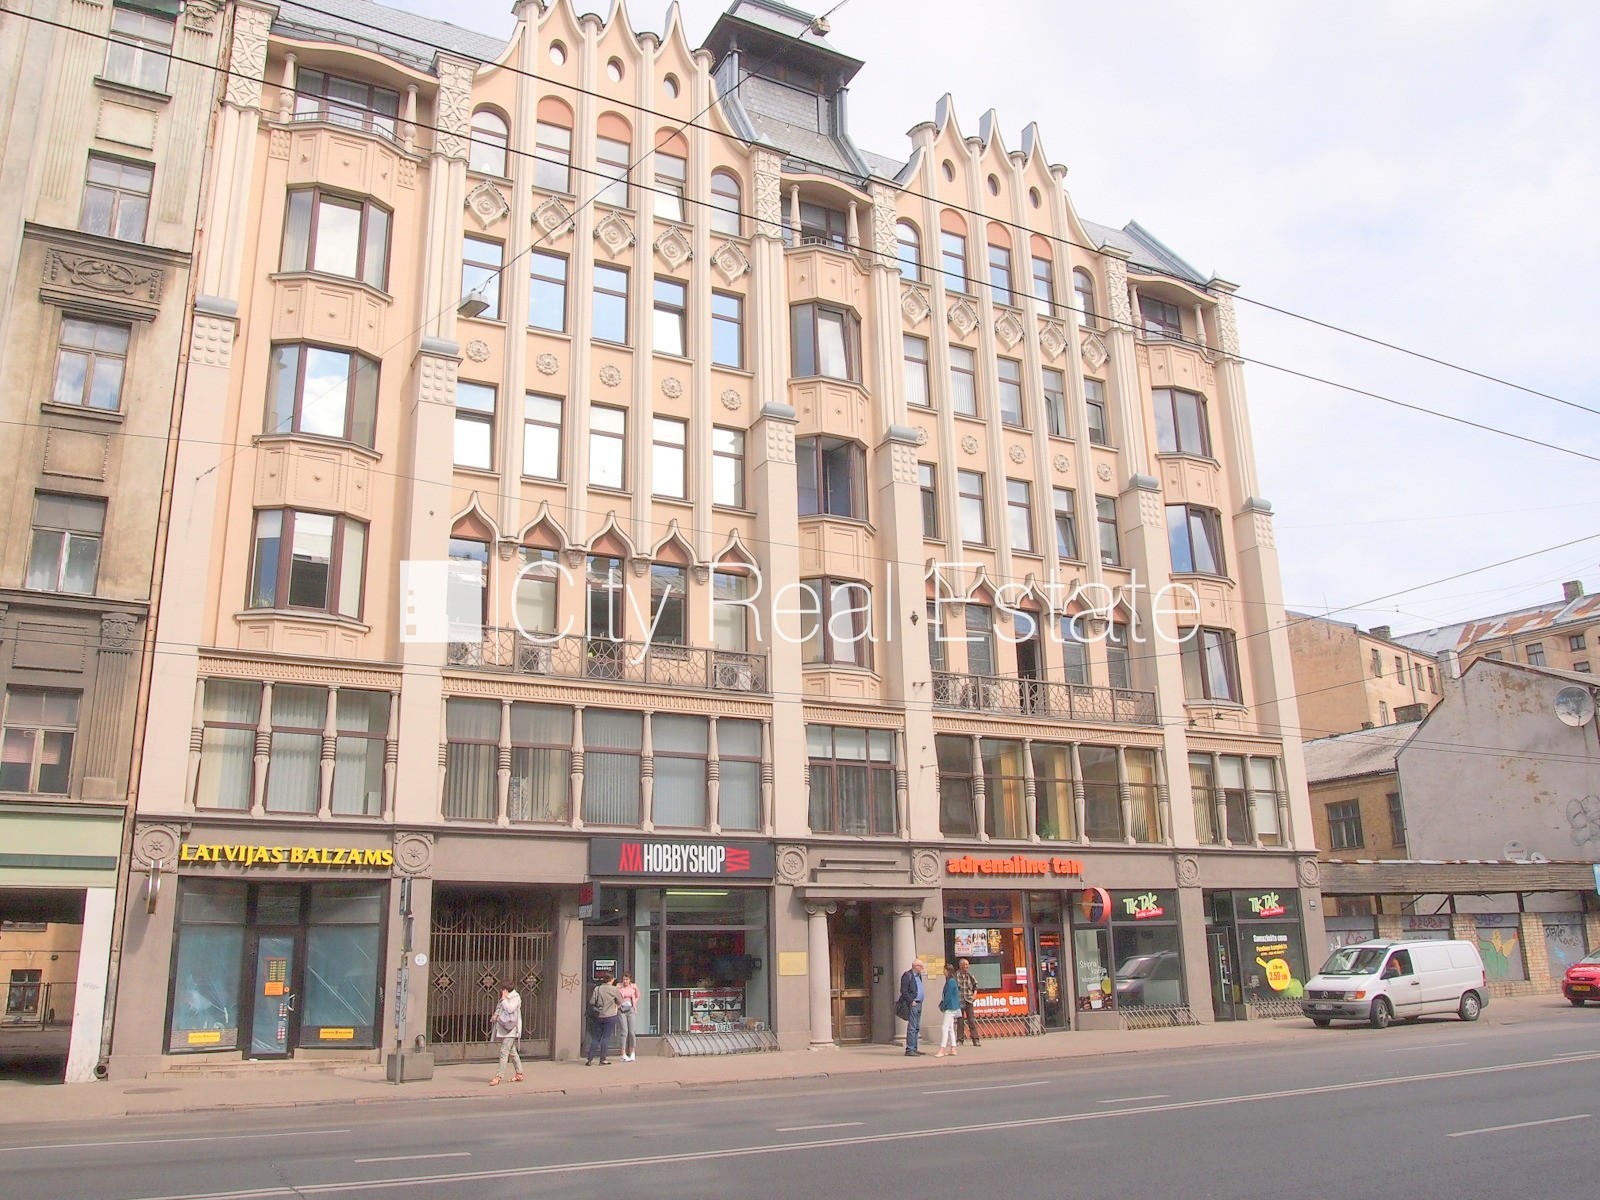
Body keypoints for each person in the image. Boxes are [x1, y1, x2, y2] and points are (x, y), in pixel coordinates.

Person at [585, 973, 623, 1066]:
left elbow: (592, 1001)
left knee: (596, 1038)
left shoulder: (597, 989)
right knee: (606, 1038)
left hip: (598, 1016)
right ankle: (603, 1059)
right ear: (611, 979)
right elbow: (620, 1001)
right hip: (610, 1016)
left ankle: (590, 1059)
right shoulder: (614, 989)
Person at [489, 984, 523, 1085]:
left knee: (504, 1051)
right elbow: (500, 1008)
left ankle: (498, 1076)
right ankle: (519, 1074)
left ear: (505, 989)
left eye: (502, 989)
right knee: (512, 1052)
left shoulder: (515, 997)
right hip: (505, 1028)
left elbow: (510, 1009)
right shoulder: (505, 997)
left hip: (511, 1029)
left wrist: (504, 999)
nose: (501, 991)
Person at [898, 959, 926, 1056]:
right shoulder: (907, 975)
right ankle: (910, 1049)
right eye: (921, 966)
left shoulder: (919, 976)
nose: (922, 968)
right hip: (913, 1004)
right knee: (912, 1027)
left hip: (919, 1003)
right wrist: (911, 1001)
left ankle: (914, 1048)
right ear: (916, 966)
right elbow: (904, 990)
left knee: (916, 1027)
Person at [935, 962, 961, 1057]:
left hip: (950, 1007)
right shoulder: (952, 981)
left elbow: (948, 996)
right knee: (950, 1028)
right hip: (953, 1006)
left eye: (944, 970)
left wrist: (943, 1006)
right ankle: (953, 1048)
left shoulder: (950, 982)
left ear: (948, 971)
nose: (943, 972)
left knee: (944, 1028)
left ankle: (942, 1049)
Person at [955, 958, 981, 1046]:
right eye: (965, 964)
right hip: (959, 1001)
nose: (967, 966)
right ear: (961, 965)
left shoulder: (970, 975)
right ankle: (960, 1040)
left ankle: (975, 1039)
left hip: (969, 1000)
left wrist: (974, 995)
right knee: (960, 1021)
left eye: (967, 965)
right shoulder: (956, 975)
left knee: (971, 1020)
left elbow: (976, 985)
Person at [616, 972, 641, 1062]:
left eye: (626, 979)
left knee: (632, 1032)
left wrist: (634, 1003)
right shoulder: (619, 986)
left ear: (630, 980)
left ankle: (632, 1052)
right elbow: (615, 996)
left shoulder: (633, 987)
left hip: (630, 1010)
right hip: (621, 1010)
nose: (625, 981)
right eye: (624, 979)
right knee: (624, 1032)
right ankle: (623, 1053)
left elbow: (638, 995)